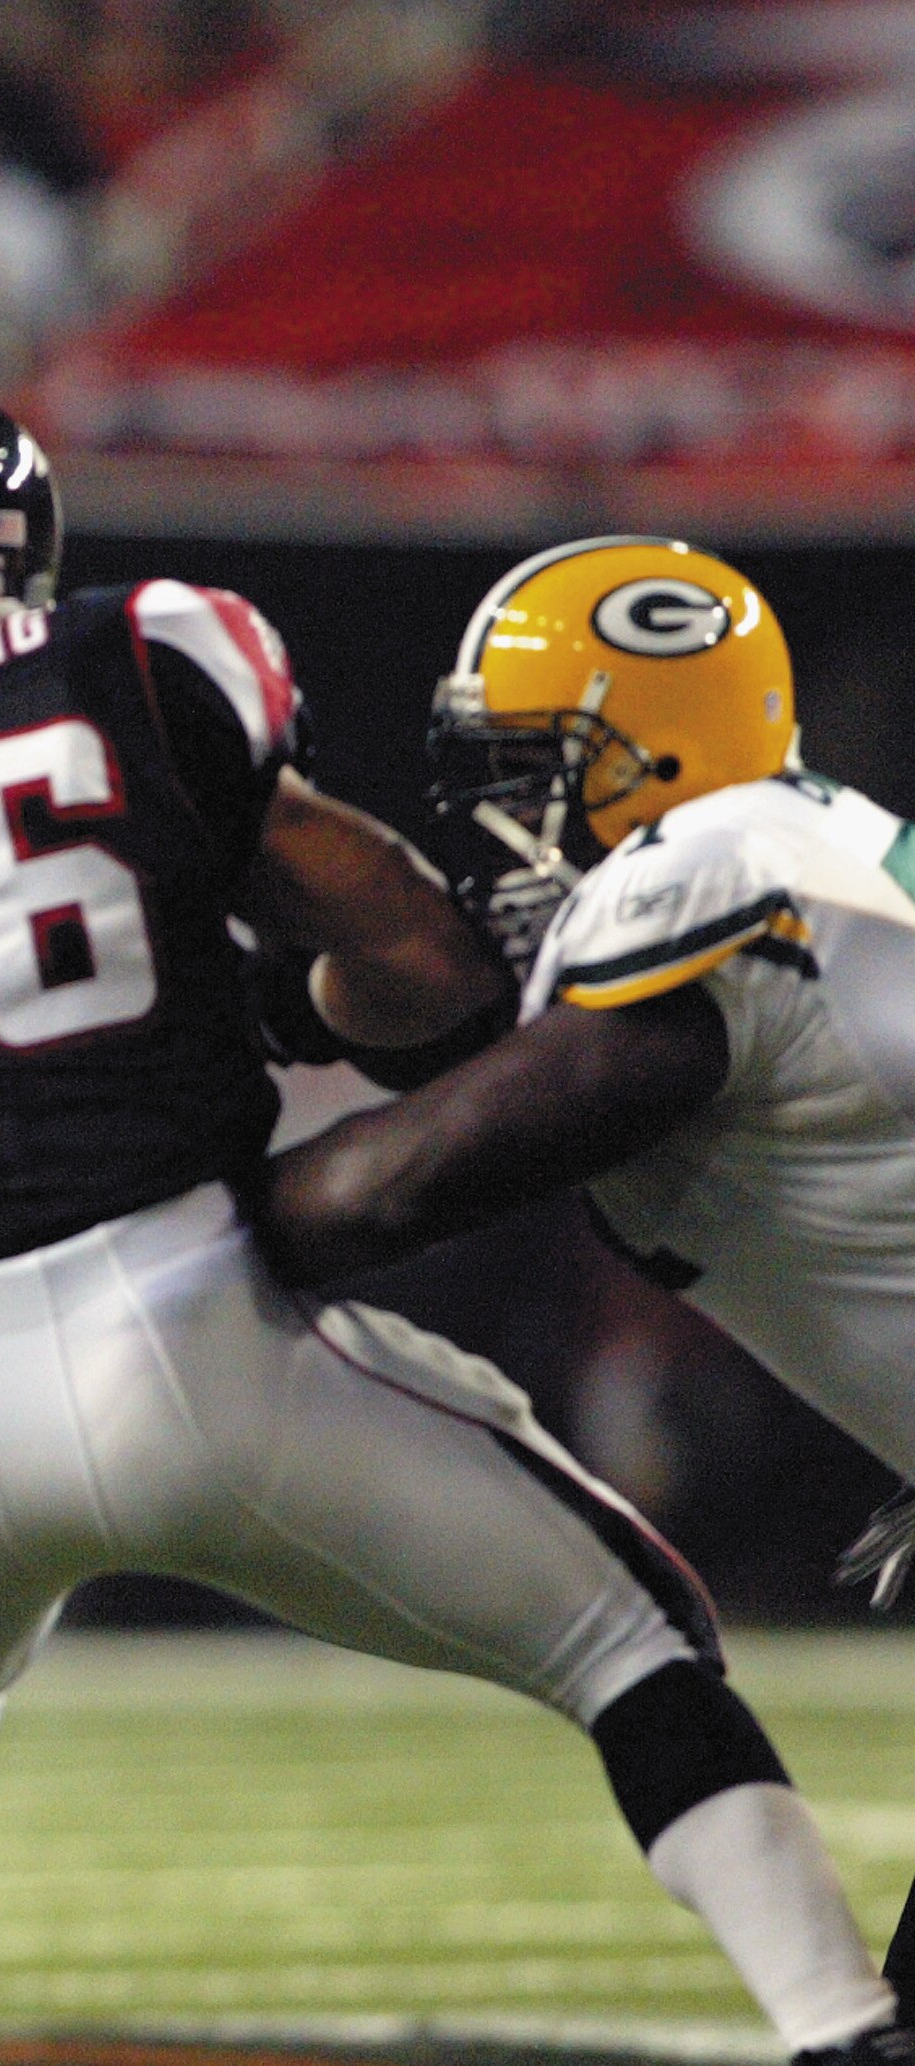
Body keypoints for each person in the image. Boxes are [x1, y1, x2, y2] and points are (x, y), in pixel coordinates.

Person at [0, 392, 902, 2066]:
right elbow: (416, 953)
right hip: (177, 1314)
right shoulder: (137, 656)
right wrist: (287, 1011)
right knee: (629, 1632)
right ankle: (840, 2025)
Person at [253, 532, 915, 2012]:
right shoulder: (816, 852)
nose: (495, 821)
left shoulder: (711, 871)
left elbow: (399, 1184)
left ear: (658, 758)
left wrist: (113, 1210)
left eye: (532, 768)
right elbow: (467, 1032)